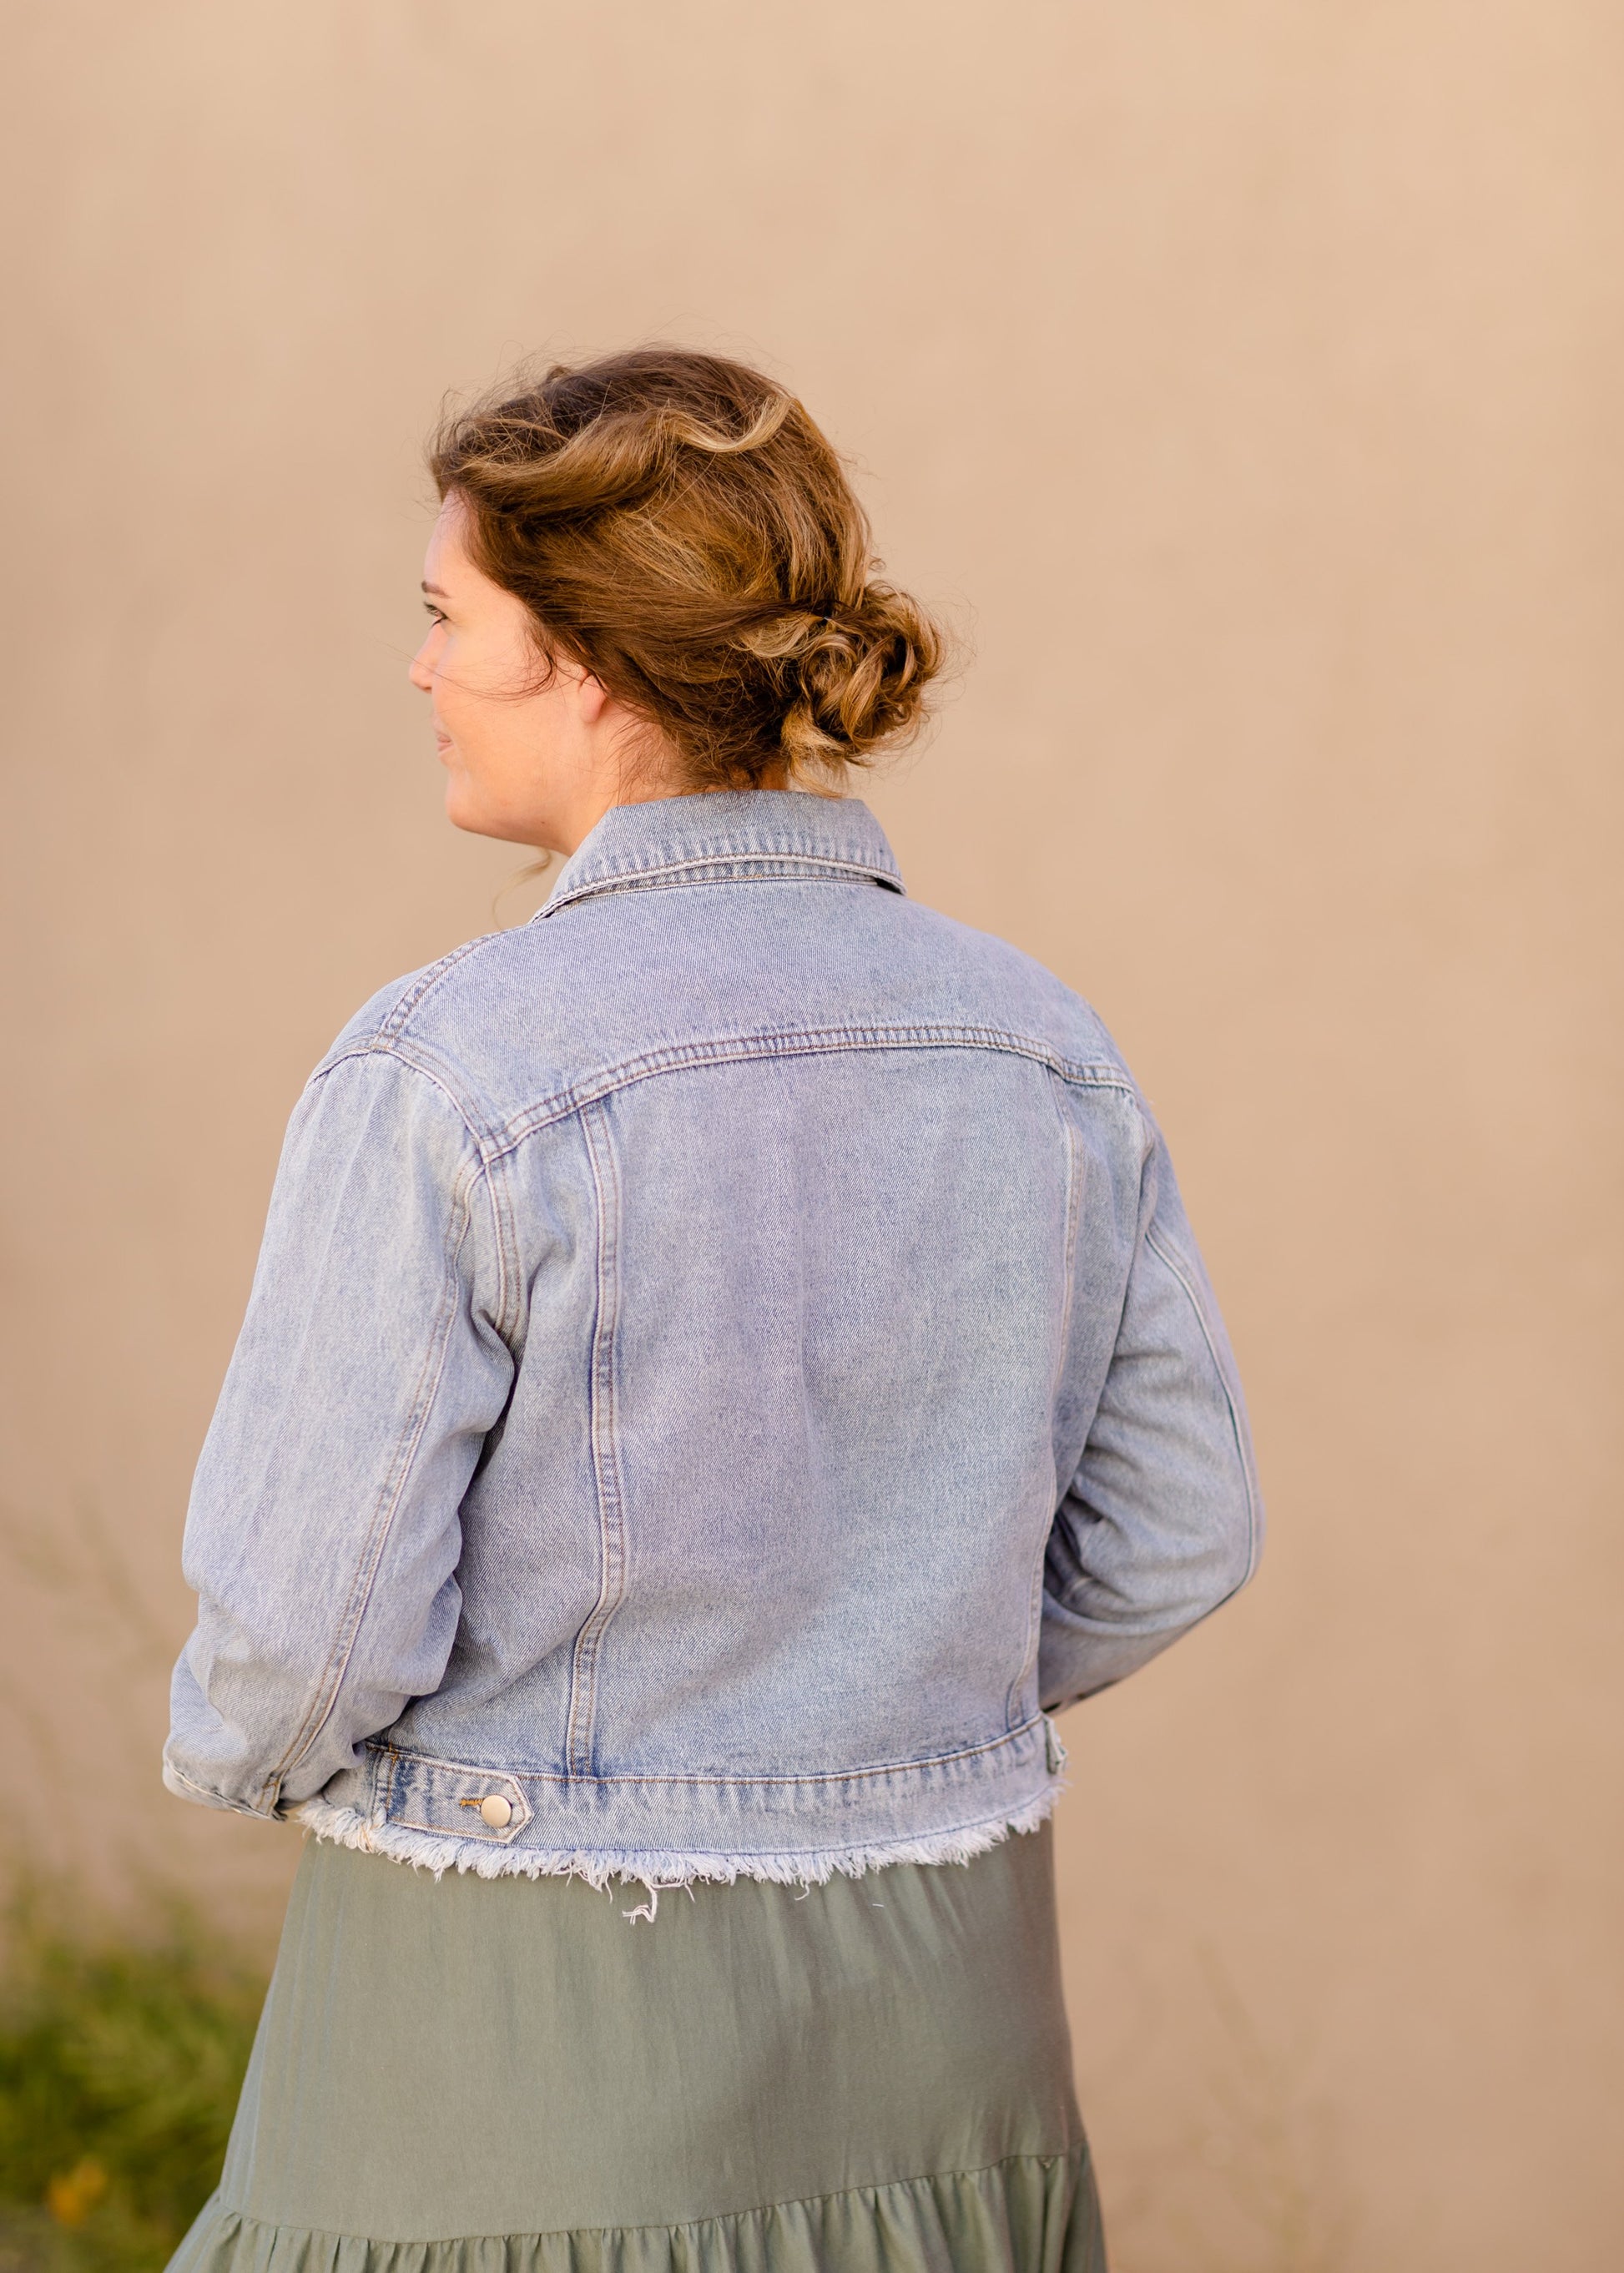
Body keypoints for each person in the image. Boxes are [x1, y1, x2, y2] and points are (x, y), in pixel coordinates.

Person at [164, 347, 1260, 2273]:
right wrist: (877, 1703)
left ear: (585, 662)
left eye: (447, 618)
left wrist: (240, 1760)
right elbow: (1180, 1527)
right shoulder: (1035, 1042)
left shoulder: (451, 1069)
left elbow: (300, 1635)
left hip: (525, 2045)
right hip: (947, 2036)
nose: (418, 670)